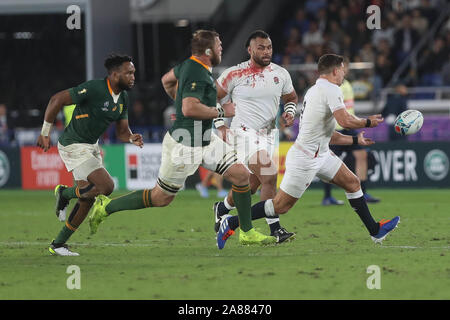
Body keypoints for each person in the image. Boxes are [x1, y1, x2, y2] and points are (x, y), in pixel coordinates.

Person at [88, 30, 277, 248]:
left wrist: (179, 100)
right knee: (161, 198)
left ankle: (247, 232)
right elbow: (188, 108)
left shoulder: (191, 65)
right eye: (219, 46)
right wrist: (222, 112)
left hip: (205, 138)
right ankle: (106, 207)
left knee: (242, 175)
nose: (221, 49)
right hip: (184, 144)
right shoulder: (197, 71)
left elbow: (167, 80)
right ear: (208, 50)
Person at [217, 54, 400, 248]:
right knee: (280, 206)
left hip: (321, 154)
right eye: (343, 69)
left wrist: (356, 139)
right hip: (306, 158)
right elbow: (345, 121)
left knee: (353, 183)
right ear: (335, 70)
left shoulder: (314, 91)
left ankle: (375, 231)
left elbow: (327, 133)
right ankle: (232, 222)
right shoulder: (331, 89)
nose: (344, 73)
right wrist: (368, 122)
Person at [36, 53, 143, 256]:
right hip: (73, 144)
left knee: (87, 199)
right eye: (128, 73)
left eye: (133, 73)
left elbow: (122, 132)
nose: (133, 76)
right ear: (114, 74)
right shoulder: (95, 88)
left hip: (91, 145)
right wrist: (44, 133)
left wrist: (131, 138)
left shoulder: (124, 98)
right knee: (106, 186)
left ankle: (58, 244)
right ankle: (65, 194)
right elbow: (56, 99)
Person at [213, 30, 297, 245]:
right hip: (243, 134)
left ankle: (222, 208)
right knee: (269, 174)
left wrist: (289, 112)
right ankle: (275, 228)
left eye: (269, 47)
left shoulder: (281, 73)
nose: (266, 51)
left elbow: (291, 97)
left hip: (269, 135)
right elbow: (211, 99)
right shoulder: (234, 74)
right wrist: (221, 125)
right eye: (261, 47)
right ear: (250, 50)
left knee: (250, 186)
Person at [322, 58, 380, 206]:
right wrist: (365, 122)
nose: (345, 69)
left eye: (346, 66)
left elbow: (349, 110)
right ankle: (327, 196)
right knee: (326, 162)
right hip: (335, 130)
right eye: (343, 67)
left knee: (362, 156)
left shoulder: (346, 84)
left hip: (350, 128)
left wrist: (356, 123)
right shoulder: (333, 87)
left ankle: (363, 192)